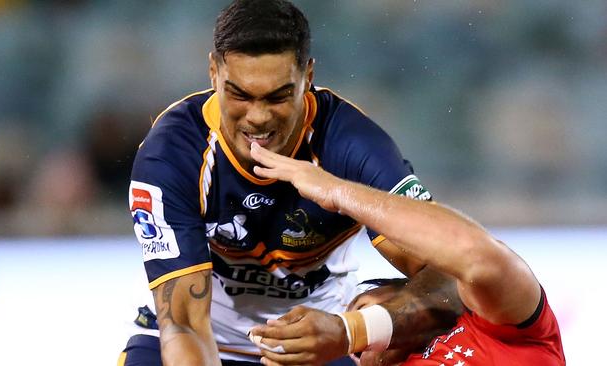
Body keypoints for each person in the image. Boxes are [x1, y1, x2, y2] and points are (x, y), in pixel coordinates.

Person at [121, 1, 462, 365]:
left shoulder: (353, 146)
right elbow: (186, 324)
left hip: (317, 343)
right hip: (201, 337)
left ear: (308, 78)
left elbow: (456, 277)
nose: (258, 118)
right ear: (213, 73)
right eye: (239, 94)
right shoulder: (173, 152)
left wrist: (353, 331)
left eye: (278, 96)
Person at [247, 142, 566, 365]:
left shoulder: (501, 325)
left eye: (360, 306)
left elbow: (475, 256)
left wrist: (338, 192)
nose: (355, 353)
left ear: (407, 288)